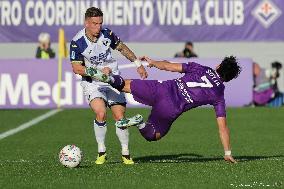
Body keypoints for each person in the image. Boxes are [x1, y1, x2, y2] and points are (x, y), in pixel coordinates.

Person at [94, 56, 241, 163]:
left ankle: (110, 78)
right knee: (152, 135)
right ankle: (139, 123)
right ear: (229, 78)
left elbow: (169, 66)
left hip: (162, 88)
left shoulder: (202, 69)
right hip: (171, 108)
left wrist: (153, 63)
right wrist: (227, 152)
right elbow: (223, 127)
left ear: (219, 66)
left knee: (124, 85)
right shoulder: (219, 95)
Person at [69, 7, 148, 165]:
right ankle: (101, 151)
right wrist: (99, 73)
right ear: (86, 23)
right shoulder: (77, 42)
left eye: (100, 23)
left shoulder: (107, 34)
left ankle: (125, 153)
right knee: (101, 113)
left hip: (112, 80)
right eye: (94, 24)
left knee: (120, 118)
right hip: (93, 83)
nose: (98, 27)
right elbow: (77, 68)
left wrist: (137, 63)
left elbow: (122, 48)